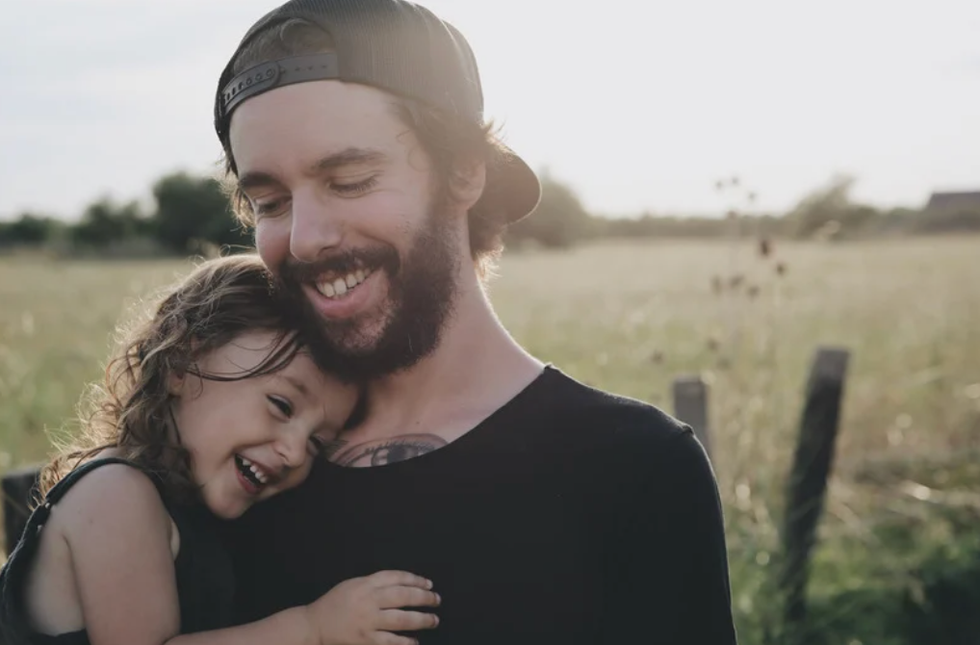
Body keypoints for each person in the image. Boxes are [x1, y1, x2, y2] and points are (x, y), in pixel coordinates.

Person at [215, 1, 739, 643]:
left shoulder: (632, 468)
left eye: (349, 180)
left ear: (465, 172)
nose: (304, 239)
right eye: (270, 202)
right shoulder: (238, 462)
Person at [0, 255, 441, 645]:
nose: (293, 452)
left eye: (316, 443)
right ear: (181, 362)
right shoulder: (116, 493)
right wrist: (312, 629)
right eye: (281, 405)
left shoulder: (185, 509)